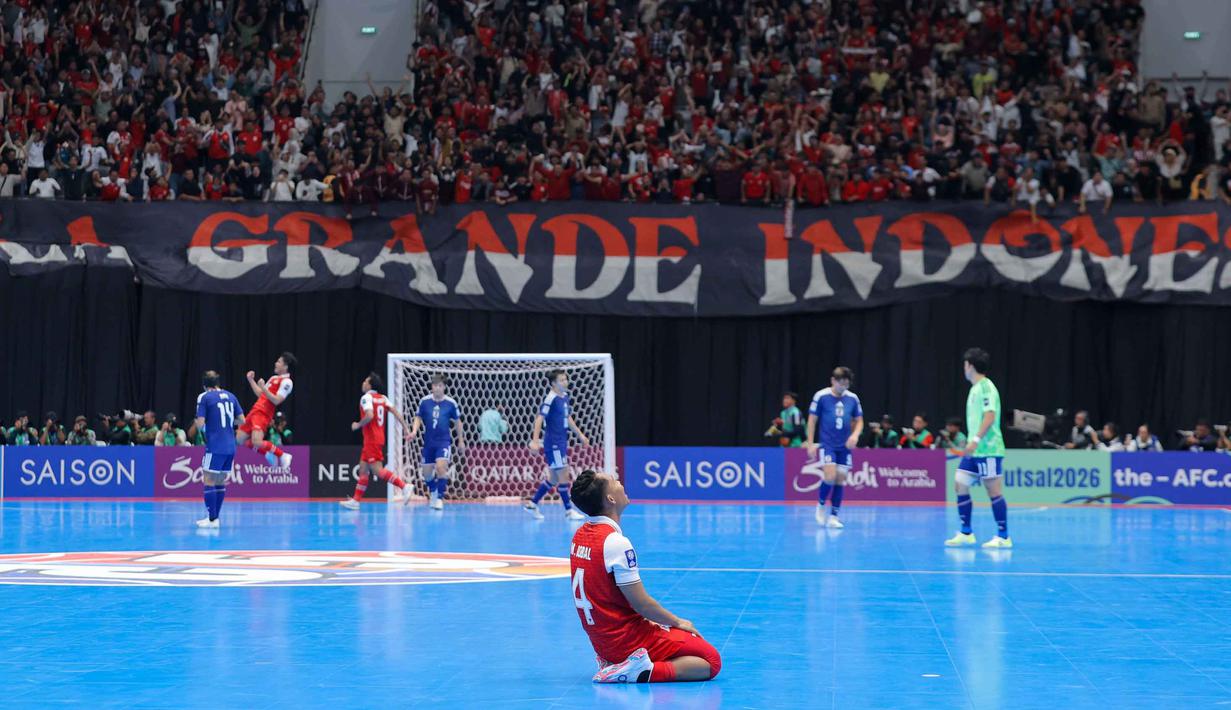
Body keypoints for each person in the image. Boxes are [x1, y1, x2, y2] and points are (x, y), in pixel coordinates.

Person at [568, 469, 721, 684]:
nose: (620, 482)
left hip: (602, 640)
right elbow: (642, 604)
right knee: (710, 660)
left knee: (686, 644)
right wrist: (678, 622)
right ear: (610, 499)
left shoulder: (580, 535)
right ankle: (637, 671)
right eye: (614, 480)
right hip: (626, 640)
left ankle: (615, 661)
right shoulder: (615, 542)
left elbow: (604, 593)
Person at [946, 348, 1011, 549]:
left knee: (993, 490)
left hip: (988, 449)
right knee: (960, 484)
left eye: (965, 364)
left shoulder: (986, 387)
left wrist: (974, 439)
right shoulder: (974, 389)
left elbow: (990, 416)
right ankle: (966, 532)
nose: (963, 368)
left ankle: (1003, 536)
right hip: (975, 451)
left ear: (970, 366)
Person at [341, 373, 415, 509]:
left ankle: (404, 486)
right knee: (363, 468)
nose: (363, 383)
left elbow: (369, 415)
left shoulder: (366, 398)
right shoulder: (383, 398)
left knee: (377, 470)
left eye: (365, 381)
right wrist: (406, 428)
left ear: (370, 385)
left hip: (372, 439)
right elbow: (396, 413)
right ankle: (356, 501)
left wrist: (357, 424)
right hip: (377, 438)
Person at [526, 369, 591, 520]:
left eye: (565, 379)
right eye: (561, 380)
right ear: (554, 383)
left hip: (561, 442)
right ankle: (568, 511)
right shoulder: (551, 398)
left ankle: (532, 503)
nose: (565, 382)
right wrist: (535, 441)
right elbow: (539, 419)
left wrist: (580, 434)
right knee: (564, 475)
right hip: (553, 443)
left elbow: (567, 418)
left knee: (554, 479)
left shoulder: (564, 397)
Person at [804, 367, 864, 528]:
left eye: (846, 384)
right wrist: (810, 443)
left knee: (840, 480)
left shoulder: (852, 398)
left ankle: (834, 516)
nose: (843, 387)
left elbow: (859, 420)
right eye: (840, 383)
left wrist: (855, 435)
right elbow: (812, 420)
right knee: (829, 476)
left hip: (844, 446)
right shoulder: (821, 396)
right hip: (828, 444)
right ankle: (821, 504)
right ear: (833, 381)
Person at [193, 370, 245, 529]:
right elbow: (242, 421)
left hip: (215, 445)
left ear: (205, 385)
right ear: (218, 383)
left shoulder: (204, 397)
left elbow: (200, 424)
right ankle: (215, 518)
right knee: (220, 481)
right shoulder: (231, 396)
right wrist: (226, 424)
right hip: (230, 446)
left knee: (209, 480)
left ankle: (212, 519)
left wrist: (205, 425)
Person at [409, 374, 465, 510]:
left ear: (444, 387)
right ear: (432, 387)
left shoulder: (451, 403)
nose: (437, 388)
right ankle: (433, 490)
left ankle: (439, 498)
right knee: (427, 474)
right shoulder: (424, 401)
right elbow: (418, 417)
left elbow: (458, 422)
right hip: (428, 443)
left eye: (440, 386)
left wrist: (461, 440)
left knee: (441, 468)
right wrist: (414, 431)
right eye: (435, 386)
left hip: (443, 442)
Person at [237, 352, 296, 469]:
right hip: (255, 410)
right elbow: (261, 394)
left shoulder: (287, 382)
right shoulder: (274, 378)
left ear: (285, 367)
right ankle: (267, 453)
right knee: (239, 439)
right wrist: (251, 380)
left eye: (279, 362)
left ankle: (283, 455)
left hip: (263, 413)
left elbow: (276, 400)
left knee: (256, 441)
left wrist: (264, 387)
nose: (276, 363)